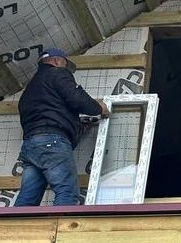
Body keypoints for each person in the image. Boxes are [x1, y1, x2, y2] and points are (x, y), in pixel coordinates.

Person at [15, 48, 110, 206]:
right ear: (57, 60)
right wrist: (99, 108)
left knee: (28, 199)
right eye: (66, 64)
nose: (66, 69)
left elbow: (49, 116)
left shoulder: (30, 90)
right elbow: (77, 99)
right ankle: (60, 223)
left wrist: (79, 127)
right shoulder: (57, 73)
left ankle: (15, 223)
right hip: (52, 144)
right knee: (67, 192)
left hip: (31, 147)